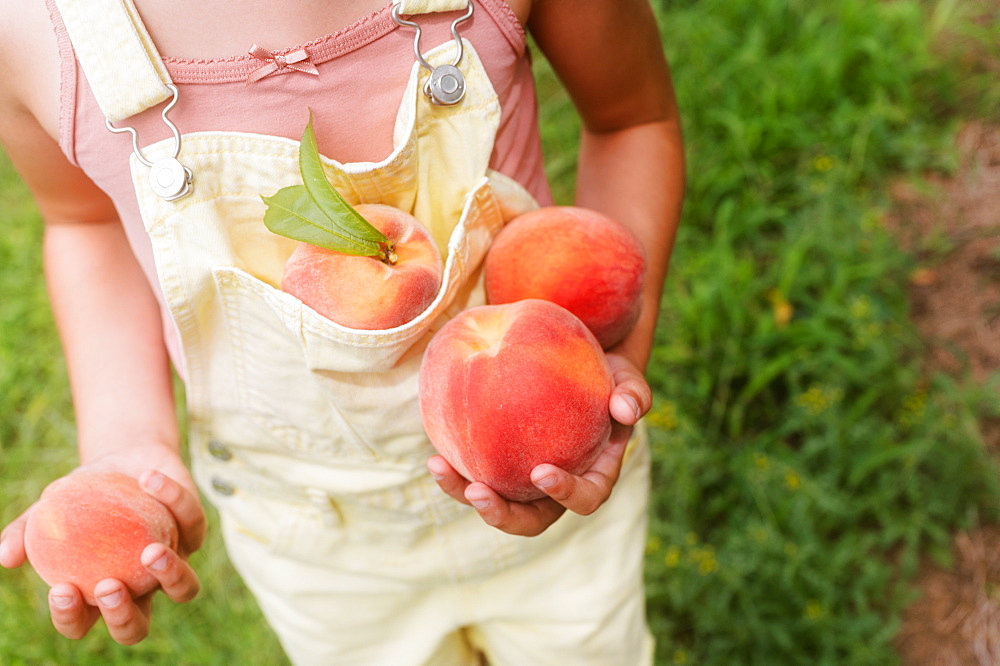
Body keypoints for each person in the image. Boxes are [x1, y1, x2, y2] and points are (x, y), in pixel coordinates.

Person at [0, 0, 684, 663]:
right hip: (313, 539)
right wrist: (126, 441)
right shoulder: (36, 31)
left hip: (557, 480)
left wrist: (614, 353)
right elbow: (87, 221)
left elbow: (632, 118)